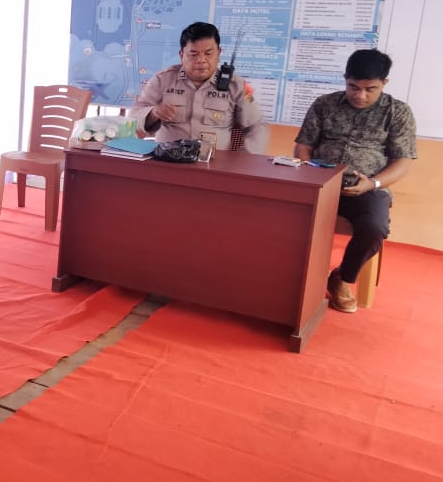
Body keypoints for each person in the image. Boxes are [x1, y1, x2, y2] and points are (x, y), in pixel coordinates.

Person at [293, 49, 417, 313]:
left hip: (367, 188)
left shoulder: (397, 112)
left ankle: (342, 277)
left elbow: (403, 161)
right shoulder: (324, 104)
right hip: (320, 183)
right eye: (353, 87)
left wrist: (373, 183)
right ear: (345, 79)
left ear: (384, 83)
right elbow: (303, 146)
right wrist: (309, 174)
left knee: (374, 228)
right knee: (281, 212)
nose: (360, 95)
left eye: (370, 89)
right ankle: (288, 275)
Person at [127, 21, 269, 154]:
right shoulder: (162, 80)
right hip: (168, 160)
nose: (201, 60)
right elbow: (133, 118)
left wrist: (244, 160)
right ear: (182, 55)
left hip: (212, 164)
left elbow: (257, 125)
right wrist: (153, 113)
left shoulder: (235, 85)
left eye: (208, 53)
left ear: (219, 53)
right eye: (193, 54)